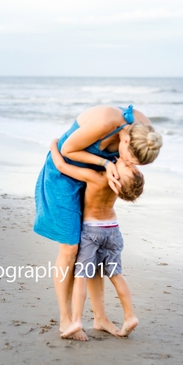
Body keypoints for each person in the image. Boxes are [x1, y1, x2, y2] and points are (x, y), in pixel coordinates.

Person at [34, 104, 162, 339]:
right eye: (130, 160)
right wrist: (106, 163)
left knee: (91, 255)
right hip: (65, 175)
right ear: (125, 142)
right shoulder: (106, 123)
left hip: (93, 178)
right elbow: (65, 153)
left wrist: (120, 173)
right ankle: (66, 319)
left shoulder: (145, 134)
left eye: (135, 165)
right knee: (71, 247)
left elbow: (129, 167)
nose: (130, 164)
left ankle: (100, 317)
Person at [48, 139, 143, 340]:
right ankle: (130, 316)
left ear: (116, 179)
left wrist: (53, 146)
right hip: (113, 230)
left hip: (92, 231)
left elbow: (61, 165)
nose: (125, 161)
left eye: (125, 165)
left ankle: (76, 320)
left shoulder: (97, 177)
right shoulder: (118, 189)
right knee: (116, 274)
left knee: (81, 275)